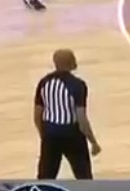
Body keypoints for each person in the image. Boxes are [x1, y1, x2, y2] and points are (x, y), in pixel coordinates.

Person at [33, 48, 100, 179]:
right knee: (84, 177)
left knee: (45, 177)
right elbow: (81, 119)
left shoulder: (44, 82)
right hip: (72, 135)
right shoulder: (77, 85)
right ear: (70, 62)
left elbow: (37, 115)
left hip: (50, 134)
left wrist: (44, 135)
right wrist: (93, 142)